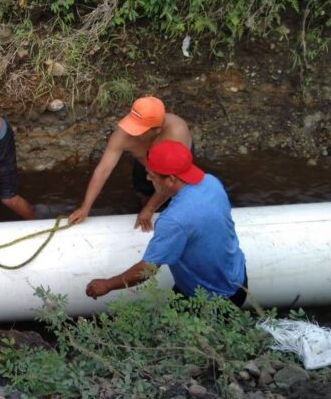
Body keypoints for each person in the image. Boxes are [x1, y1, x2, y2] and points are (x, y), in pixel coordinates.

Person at [85, 140, 247, 307]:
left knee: (176, 330)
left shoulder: (174, 220)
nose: (147, 178)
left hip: (212, 298)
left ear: (170, 179)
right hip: (237, 277)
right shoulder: (211, 182)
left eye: (152, 175)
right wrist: (149, 207)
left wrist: (107, 284)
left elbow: (147, 270)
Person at [68, 96, 192, 231]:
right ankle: (145, 202)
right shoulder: (123, 134)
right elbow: (103, 170)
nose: (131, 132)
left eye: (138, 129)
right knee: (143, 193)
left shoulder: (176, 133)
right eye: (132, 125)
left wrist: (150, 209)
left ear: (157, 130)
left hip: (174, 167)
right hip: (144, 162)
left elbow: (172, 178)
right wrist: (85, 207)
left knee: (177, 194)